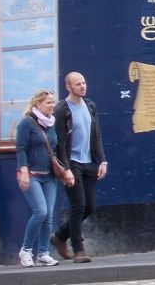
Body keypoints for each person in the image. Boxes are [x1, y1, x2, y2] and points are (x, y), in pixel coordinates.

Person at [51, 72, 106, 264]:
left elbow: (96, 135)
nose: (82, 86)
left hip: (88, 162)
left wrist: (103, 161)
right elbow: (59, 142)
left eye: (84, 82)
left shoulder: (90, 106)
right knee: (78, 205)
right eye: (78, 84)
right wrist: (65, 169)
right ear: (68, 86)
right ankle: (79, 249)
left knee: (89, 207)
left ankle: (59, 237)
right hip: (72, 163)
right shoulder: (61, 109)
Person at [17, 89, 71, 267]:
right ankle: (25, 250)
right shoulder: (27, 123)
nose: (52, 105)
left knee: (48, 215)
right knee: (40, 211)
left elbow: (55, 149)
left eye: (53, 102)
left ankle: (43, 253)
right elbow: (21, 148)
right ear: (37, 104)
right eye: (48, 102)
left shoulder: (51, 124)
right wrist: (23, 170)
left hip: (49, 176)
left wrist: (64, 172)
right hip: (32, 175)